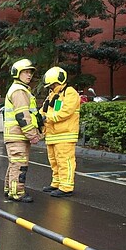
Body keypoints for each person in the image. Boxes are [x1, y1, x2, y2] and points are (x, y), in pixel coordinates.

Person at [3, 59, 44, 203]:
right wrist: (33, 134)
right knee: (20, 165)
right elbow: (23, 116)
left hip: (16, 134)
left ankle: (10, 189)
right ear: (17, 73)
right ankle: (17, 193)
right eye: (26, 72)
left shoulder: (21, 89)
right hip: (18, 135)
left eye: (30, 72)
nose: (29, 75)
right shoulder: (19, 91)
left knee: (14, 163)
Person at [41, 66, 81, 198]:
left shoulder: (70, 93)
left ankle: (66, 187)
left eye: (52, 84)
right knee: (54, 161)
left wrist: (47, 118)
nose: (51, 87)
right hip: (52, 134)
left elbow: (65, 112)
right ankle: (57, 183)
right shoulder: (53, 95)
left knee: (65, 161)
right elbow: (45, 110)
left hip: (65, 134)